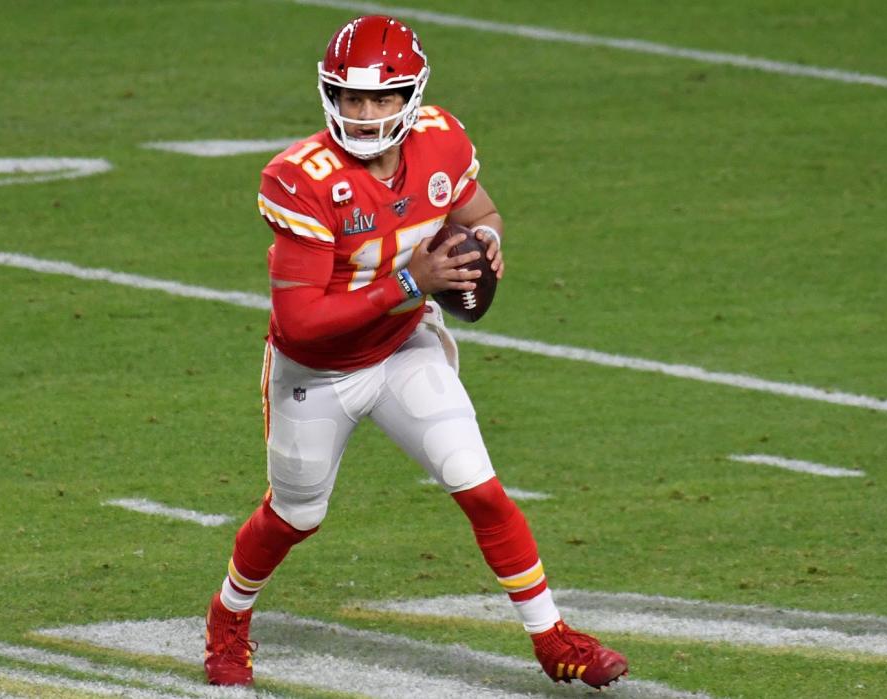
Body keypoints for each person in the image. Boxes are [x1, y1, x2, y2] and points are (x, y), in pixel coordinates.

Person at [204, 14, 628, 690]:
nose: (365, 113)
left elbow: (482, 214)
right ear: (329, 96)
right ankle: (229, 617)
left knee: (479, 485)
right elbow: (303, 321)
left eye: (381, 98)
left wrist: (485, 245)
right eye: (351, 97)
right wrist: (410, 281)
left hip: (404, 350)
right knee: (296, 515)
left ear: (412, 97)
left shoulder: (440, 142)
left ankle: (552, 637)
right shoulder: (302, 178)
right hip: (318, 371)